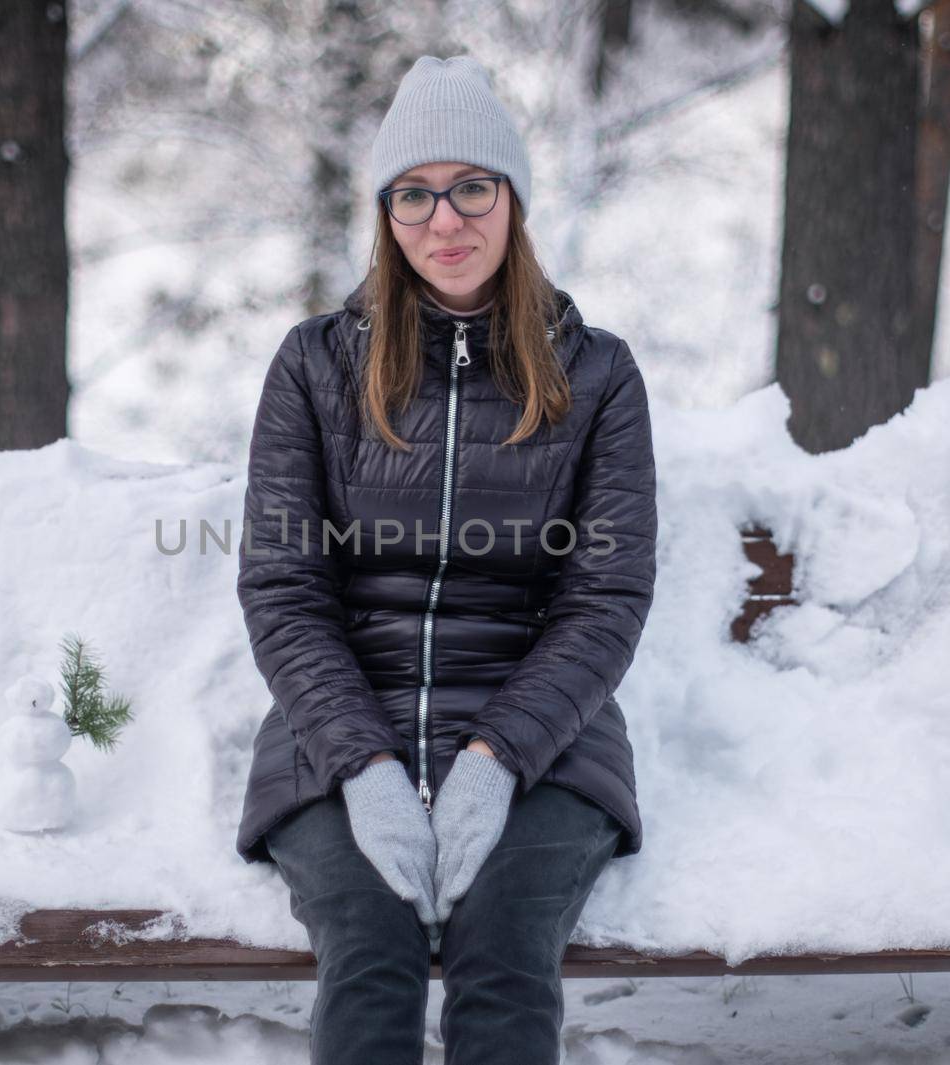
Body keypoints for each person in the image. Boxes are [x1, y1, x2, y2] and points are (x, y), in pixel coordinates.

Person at [234, 54, 657, 1065]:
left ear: (512, 200)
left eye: (471, 187)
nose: (444, 220)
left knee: (504, 951)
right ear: (384, 214)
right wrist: (365, 764)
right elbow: (284, 587)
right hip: (338, 728)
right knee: (370, 953)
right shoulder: (315, 364)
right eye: (413, 194)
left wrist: (498, 755)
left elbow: (604, 595)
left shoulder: (595, 375)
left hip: (544, 738)